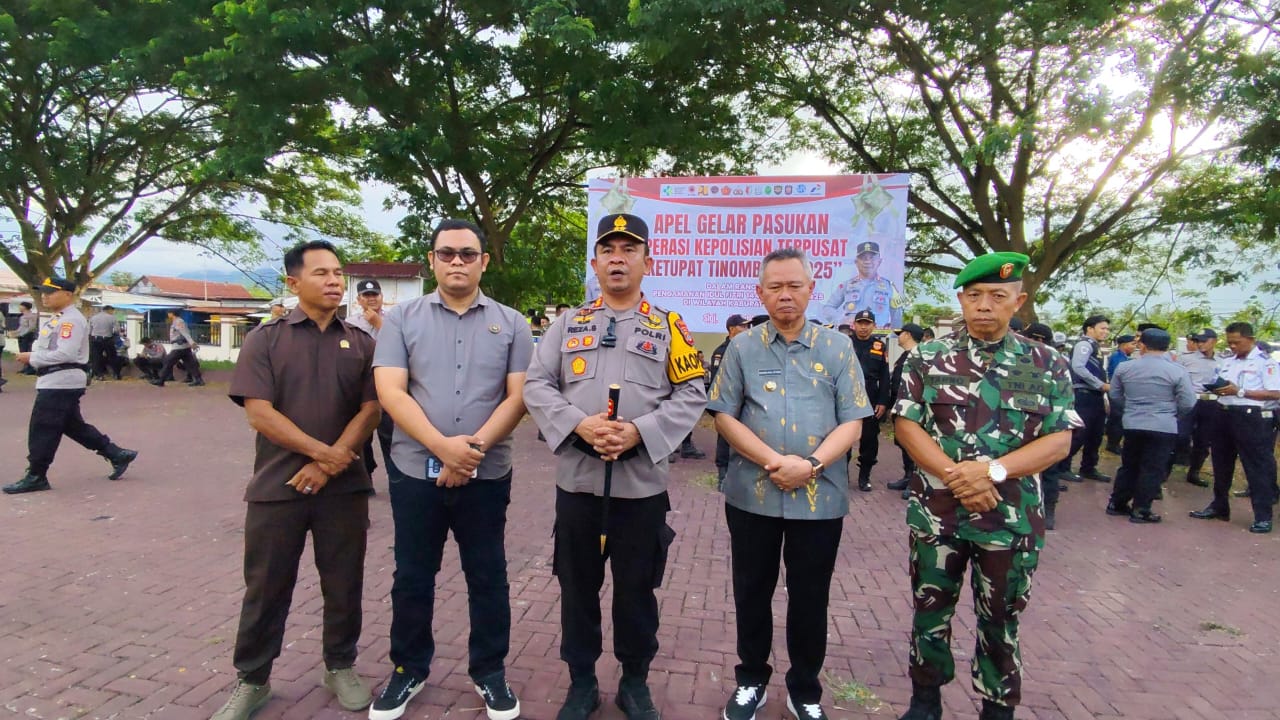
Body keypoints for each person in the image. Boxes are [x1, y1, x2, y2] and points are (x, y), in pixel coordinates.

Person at [524, 213, 706, 720]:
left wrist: (639, 431)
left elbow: (692, 392)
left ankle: (634, 682)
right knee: (576, 589)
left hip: (640, 486)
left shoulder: (668, 326)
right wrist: (579, 425)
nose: (618, 258)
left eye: (629, 249)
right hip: (578, 484)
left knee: (637, 591)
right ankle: (581, 682)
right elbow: (537, 384)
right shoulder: (568, 323)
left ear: (648, 260)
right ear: (595, 262)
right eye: (609, 250)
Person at [893, 253, 1075, 720]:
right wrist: (960, 477)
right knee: (929, 611)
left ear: (1019, 301)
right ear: (962, 300)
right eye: (974, 295)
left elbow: (1059, 439)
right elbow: (908, 426)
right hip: (939, 513)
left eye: (997, 296)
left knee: (1001, 618)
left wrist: (991, 472)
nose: (984, 305)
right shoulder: (928, 357)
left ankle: (998, 706)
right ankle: (925, 701)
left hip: (1008, 517)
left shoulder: (1047, 363)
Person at [368, 220, 533, 720]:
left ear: (484, 261)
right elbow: (391, 391)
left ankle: (489, 671)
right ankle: (408, 669)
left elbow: (519, 397)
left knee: (488, 576)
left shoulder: (512, 323)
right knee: (412, 576)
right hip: (414, 472)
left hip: (487, 473)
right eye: (446, 253)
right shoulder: (401, 319)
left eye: (467, 253)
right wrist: (443, 448)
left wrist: (470, 452)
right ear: (432, 260)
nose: (457, 261)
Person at [213, 240, 381, 720]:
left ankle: (340, 665)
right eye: (321, 273)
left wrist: (330, 464)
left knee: (344, 582)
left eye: (338, 273)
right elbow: (259, 413)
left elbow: (372, 409)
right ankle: (253, 679)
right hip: (277, 487)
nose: (334, 281)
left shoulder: (362, 342)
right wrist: (321, 453)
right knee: (266, 586)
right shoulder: (265, 340)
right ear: (293, 282)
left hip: (343, 488)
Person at [709, 248, 871, 720]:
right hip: (752, 495)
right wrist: (775, 461)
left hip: (820, 499)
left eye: (794, 285)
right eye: (775, 287)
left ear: (811, 290)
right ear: (760, 293)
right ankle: (751, 681)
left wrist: (812, 465)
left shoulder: (837, 348)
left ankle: (805, 691)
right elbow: (724, 415)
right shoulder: (742, 348)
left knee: (810, 597)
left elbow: (853, 420)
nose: (785, 295)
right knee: (751, 591)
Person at [4, 277, 138, 495]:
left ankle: (36, 475)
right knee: (72, 425)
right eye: (43, 292)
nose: (45, 296)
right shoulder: (58, 318)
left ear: (68, 294)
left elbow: (65, 353)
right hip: (55, 379)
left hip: (61, 380)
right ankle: (116, 454)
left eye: (50, 292)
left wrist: (32, 357)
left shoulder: (71, 321)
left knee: (43, 427)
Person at [1189, 322, 1280, 534]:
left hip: (1252, 417)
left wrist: (1240, 392)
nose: (1232, 346)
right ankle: (1219, 505)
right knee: (1221, 463)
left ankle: (1263, 516)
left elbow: (1275, 392)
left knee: (1257, 467)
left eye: (1237, 342)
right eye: (1230, 342)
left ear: (1251, 339)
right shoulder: (1228, 361)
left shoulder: (1265, 363)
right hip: (1223, 413)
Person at [1105, 329, 1196, 523]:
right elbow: (1188, 401)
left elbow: (1114, 395)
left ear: (1142, 345)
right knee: (1153, 468)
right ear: (1167, 347)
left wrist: (1129, 409)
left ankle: (1117, 503)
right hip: (1163, 424)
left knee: (1129, 465)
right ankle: (1141, 509)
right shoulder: (1177, 370)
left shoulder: (1125, 367)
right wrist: (1174, 414)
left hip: (1133, 422)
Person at [1050, 314, 1111, 484]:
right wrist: (1100, 384)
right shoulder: (1084, 345)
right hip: (1084, 394)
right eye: (1102, 328)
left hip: (1095, 395)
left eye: (1107, 329)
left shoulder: (1095, 346)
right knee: (1079, 433)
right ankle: (1062, 467)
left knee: (1095, 434)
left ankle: (1089, 467)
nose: (1106, 332)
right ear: (1090, 329)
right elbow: (1078, 367)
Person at [347, 279, 395, 479]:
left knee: (390, 434)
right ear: (359, 299)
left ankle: (395, 477)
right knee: (361, 435)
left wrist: (378, 324)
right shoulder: (350, 323)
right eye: (366, 295)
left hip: (389, 383)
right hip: (360, 385)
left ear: (381, 297)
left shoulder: (394, 319)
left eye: (375, 294)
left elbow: (402, 344)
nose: (371, 299)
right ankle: (364, 477)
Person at [849, 309, 891, 492]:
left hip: (870, 398)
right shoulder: (845, 343)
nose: (863, 327)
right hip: (847, 396)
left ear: (874, 326)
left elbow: (885, 376)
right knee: (843, 439)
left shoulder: (879, 346)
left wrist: (883, 401)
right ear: (854, 325)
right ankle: (841, 475)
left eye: (867, 324)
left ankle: (864, 476)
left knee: (869, 440)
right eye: (860, 323)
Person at [821, 239, 904, 329]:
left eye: (872, 258)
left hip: (879, 335)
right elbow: (827, 308)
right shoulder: (846, 285)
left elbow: (897, 317)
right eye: (863, 258)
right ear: (856, 262)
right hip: (851, 335)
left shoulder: (889, 287)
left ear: (879, 261)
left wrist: (893, 335)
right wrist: (842, 320)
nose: (867, 261)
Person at [711, 314, 753, 485]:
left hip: (746, 402)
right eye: (743, 326)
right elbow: (717, 381)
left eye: (747, 326)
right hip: (728, 402)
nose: (746, 329)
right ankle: (723, 476)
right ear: (732, 329)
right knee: (725, 438)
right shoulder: (722, 351)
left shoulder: (748, 349)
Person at [1177, 329, 1220, 486]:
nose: (1200, 344)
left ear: (1214, 341)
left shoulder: (1223, 360)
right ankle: (1163, 473)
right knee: (1180, 436)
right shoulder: (1185, 359)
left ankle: (1194, 472)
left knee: (1203, 440)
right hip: (1190, 401)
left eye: (1204, 341)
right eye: (1198, 341)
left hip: (1211, 403)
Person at [887, 323, 925, 495]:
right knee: (903, 443)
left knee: (914, 445)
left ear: (908, 335)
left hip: (913, 409)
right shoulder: (905, 355)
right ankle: (908, 476)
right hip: (900, 406)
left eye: (900, 333)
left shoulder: (919, 356)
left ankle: (915, 482)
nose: (898, 337)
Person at [1103, 333, 1137, 454]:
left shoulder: (1123, 357)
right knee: (1117, 418)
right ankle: (1113, 444)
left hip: (1119, 391)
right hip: (1117, 391)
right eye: (1132, 344)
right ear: (1124, 345)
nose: (1135, 347)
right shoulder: (1118, 358)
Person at [151, 312, 204, 387]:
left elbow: (185, 333)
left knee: (168, 362)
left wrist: (192, 343)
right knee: (190, 364)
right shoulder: (176, 322)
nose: (168, 315)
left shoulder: (179, 321)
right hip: (183, 347)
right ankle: (199, 380)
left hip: (179, 347)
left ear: (172, 314)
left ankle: (161, 380)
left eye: (169, 313)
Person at [88, 305, 121, 380]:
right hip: (107, 339)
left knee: (96, 358)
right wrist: (113, 335)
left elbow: (89, 330)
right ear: (109, 310)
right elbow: (117, 330)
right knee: (112, 357)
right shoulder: (112, 318)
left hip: (95, 339)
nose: (112, 312)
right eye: (112, 311)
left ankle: (99, 375)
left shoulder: (93, 317)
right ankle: (116, 374)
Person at [15, 301, 40, 374]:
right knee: (23, 351)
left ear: (24, 307)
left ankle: (31, 368)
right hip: (21, 336)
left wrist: (22, 334)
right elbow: (21, 327)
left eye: (20, 306)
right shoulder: (22, 316)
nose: (19, 308)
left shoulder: (32, 316)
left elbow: (31, 327)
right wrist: (16, 333)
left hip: (28, 335)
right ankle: (25, 367)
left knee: (28, 351)